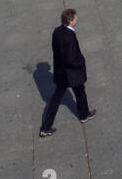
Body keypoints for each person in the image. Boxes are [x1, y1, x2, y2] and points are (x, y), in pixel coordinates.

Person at [39, 9, 94, 137]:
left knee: (57, 98)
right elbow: (71, 59)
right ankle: (84, 115)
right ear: (70, 21)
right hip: (71, 73)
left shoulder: (57, 31)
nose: (77, 19)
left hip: (60, 72)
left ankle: (46, 127)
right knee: (79, 92)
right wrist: (81, 62)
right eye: (75, 18)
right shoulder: (69, 37)